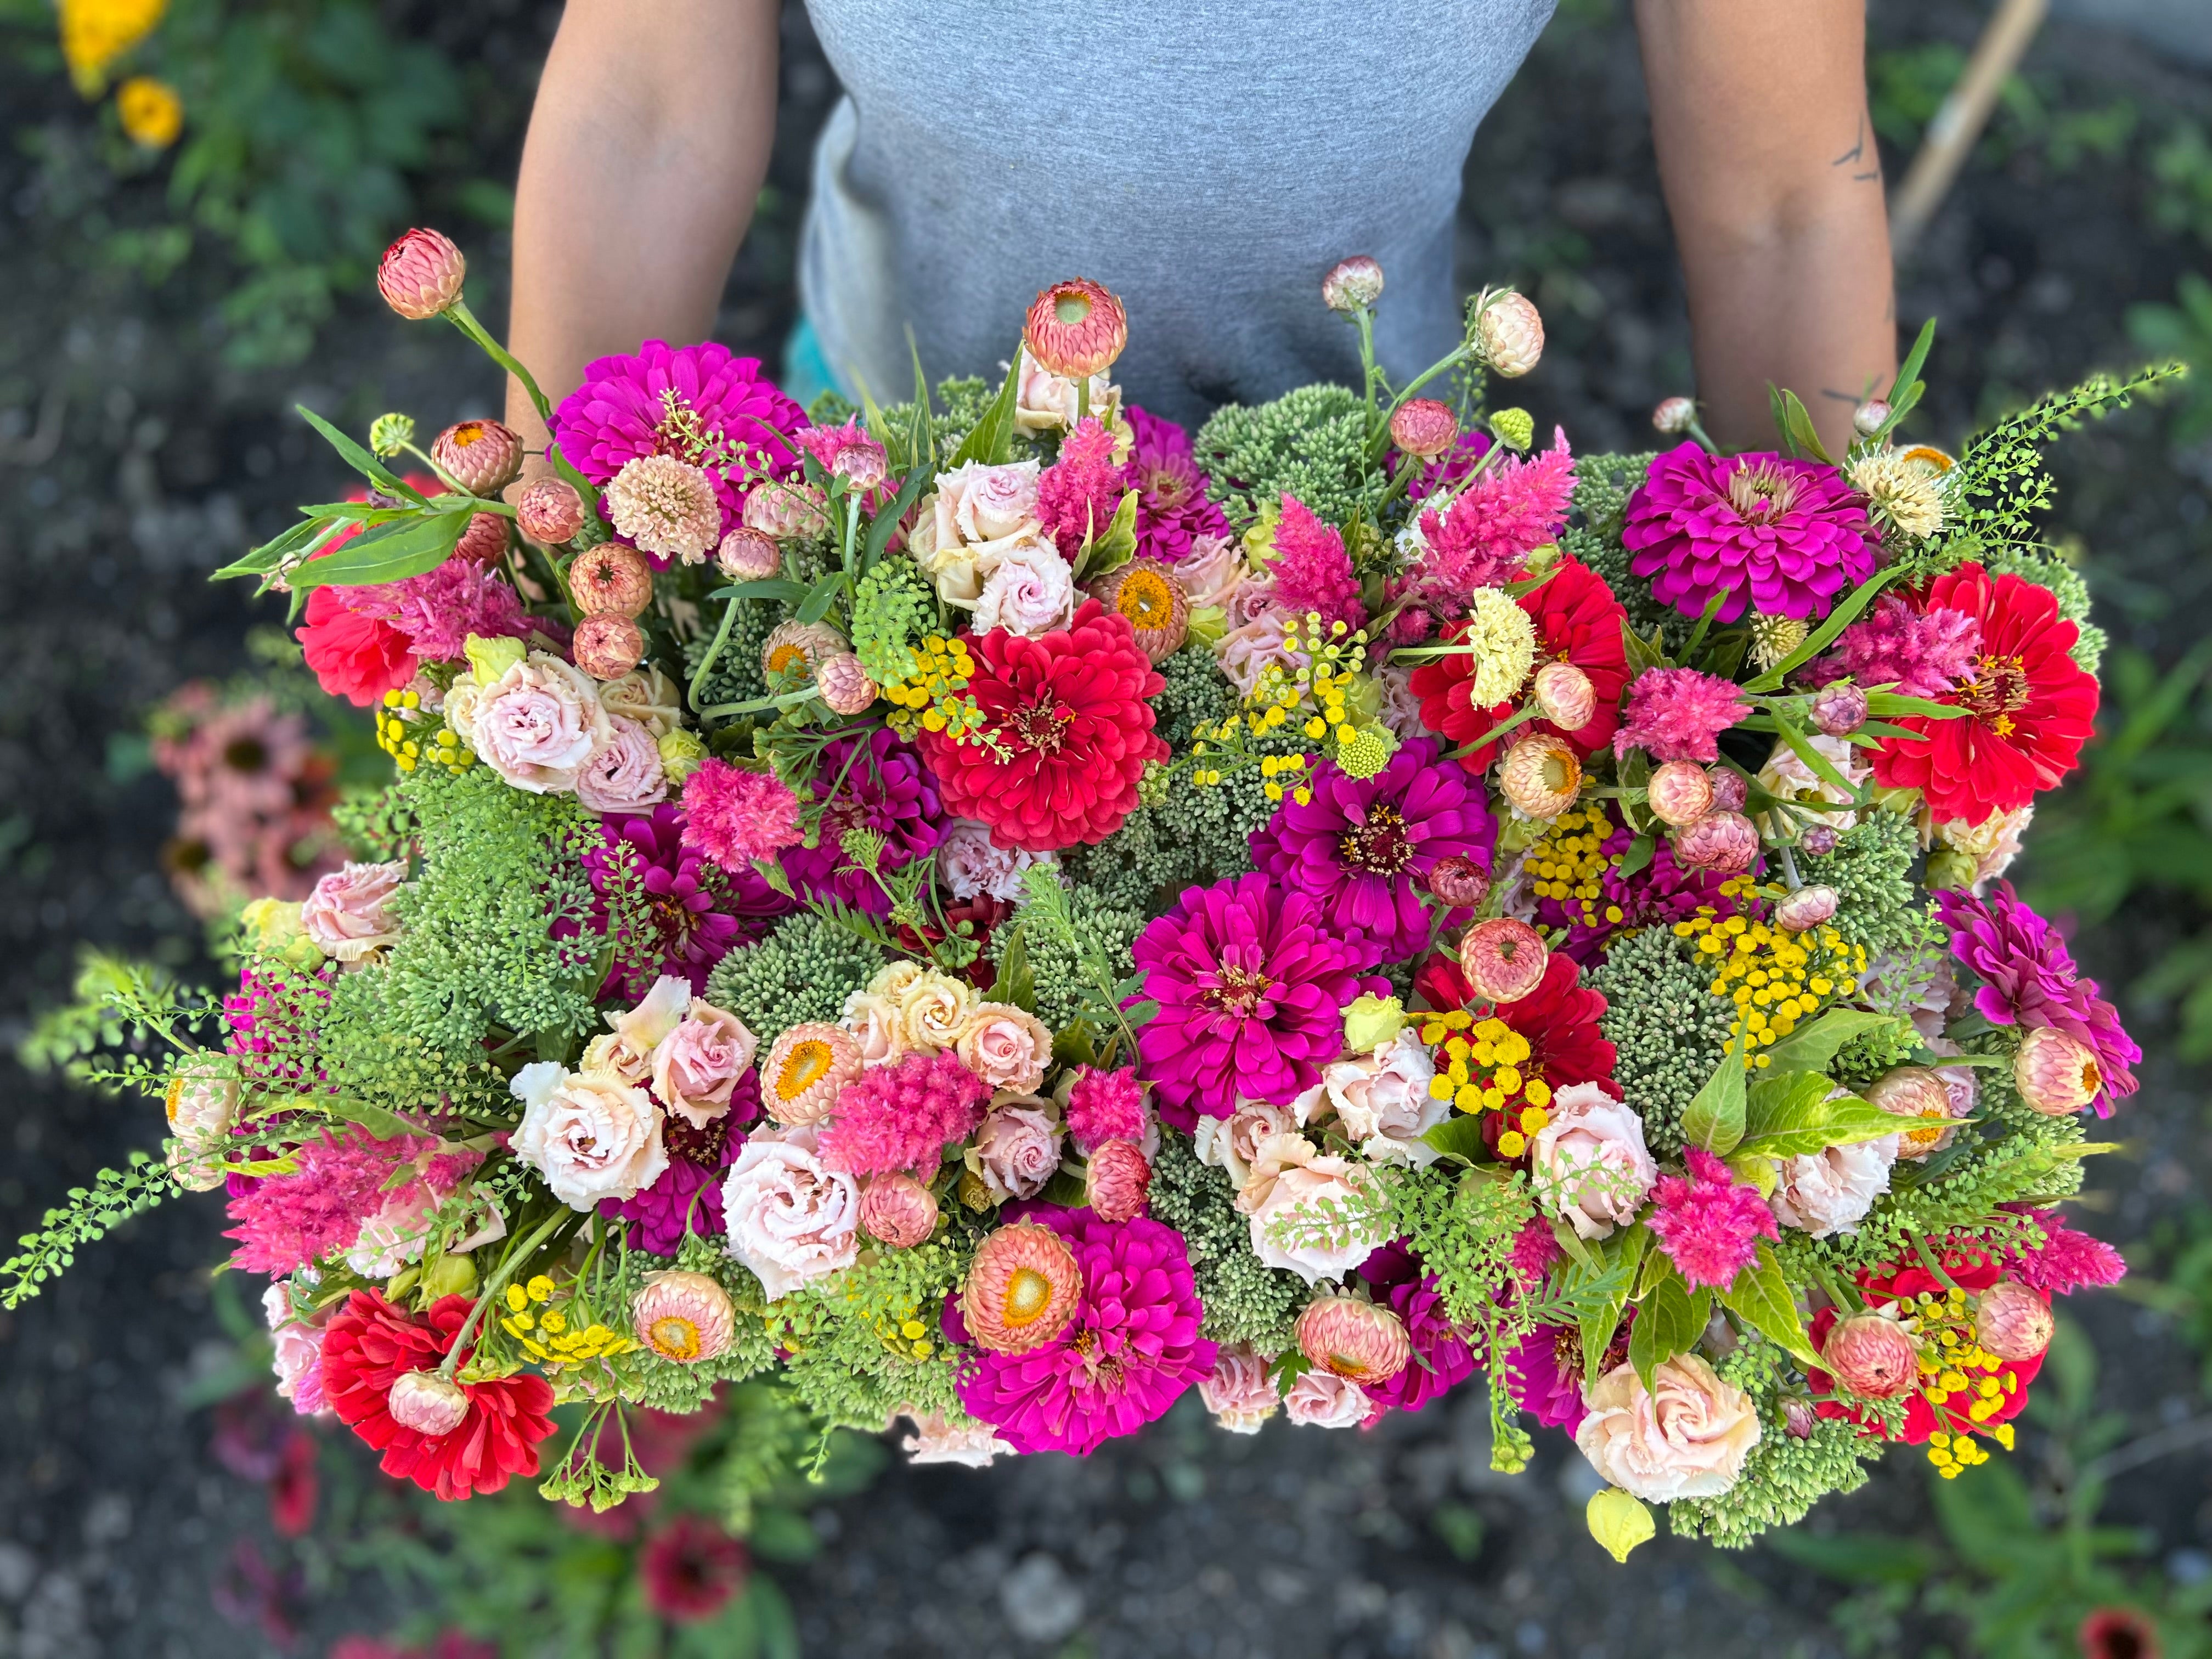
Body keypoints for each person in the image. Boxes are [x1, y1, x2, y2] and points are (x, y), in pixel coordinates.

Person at [505, 0, 1893, 464]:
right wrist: (551, 574)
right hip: (870, 472)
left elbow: (1784, 204)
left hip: (1360, 534)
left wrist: (1802, 661)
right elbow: (641, 113)